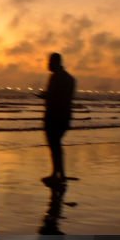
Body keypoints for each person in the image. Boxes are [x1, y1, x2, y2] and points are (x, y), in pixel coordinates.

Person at [38, 52, 75, 184]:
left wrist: (44, 95)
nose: (47, 64)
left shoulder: (55, 77)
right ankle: (61, 173)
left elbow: (53, 96)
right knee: (57, 145)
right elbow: (65, 97)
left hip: (54, 116)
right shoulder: (70, 78)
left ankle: (56, 174)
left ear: (55, 63)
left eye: (49, 62)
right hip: (65, 116)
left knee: (54, 146)